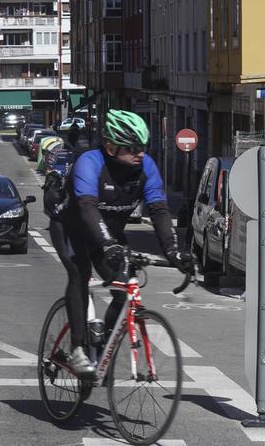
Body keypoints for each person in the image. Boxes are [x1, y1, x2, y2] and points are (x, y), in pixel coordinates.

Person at [49, 109, 192, 377]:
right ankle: (78, 349)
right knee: (79, 276)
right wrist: (107, 243)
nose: (140, 153)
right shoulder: (89, 163)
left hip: (110, 235)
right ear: (111, 147)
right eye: (132, 148)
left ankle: (100, 346)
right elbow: (87, 207)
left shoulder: (146, 166)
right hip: (72, 228)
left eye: (143, 147)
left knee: (125, 289)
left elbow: (159, 210)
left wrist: (173, 251)